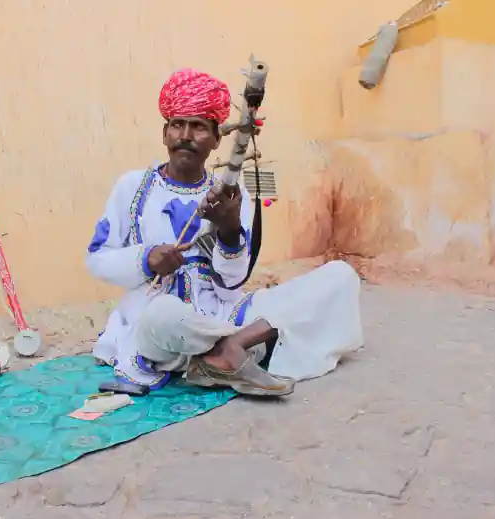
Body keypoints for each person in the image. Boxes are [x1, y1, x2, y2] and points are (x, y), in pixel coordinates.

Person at [85, 68, 364, 397]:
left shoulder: (230, 194)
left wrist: (229, 229)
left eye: (199, 127)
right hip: (158, 323)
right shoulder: (132, 186)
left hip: (225, 311)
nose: (186, 135)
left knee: (340, 277)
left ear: (217, 139)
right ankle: (241, 344)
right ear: (165, 134)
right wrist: (146, 259)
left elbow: (232, 281)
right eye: (177, 124)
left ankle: (227, 348)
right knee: (164, 315)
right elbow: (97, 259)